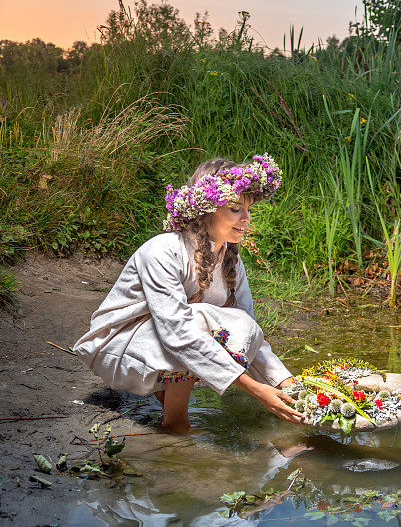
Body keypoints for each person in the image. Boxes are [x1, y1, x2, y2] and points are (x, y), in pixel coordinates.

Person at [74, 154, 304, 433]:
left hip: (162, 344)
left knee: (241, 324)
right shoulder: (163, 250)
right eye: (235, 209)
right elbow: (178, 332)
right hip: (117, 347)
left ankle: (168, 402)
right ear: (206, 210)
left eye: (248, 209)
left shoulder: (232, 259)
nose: (246, 219)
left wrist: (292, 387)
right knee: (197, 320)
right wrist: (256, 390)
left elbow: (250, 333)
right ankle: (176, 424)